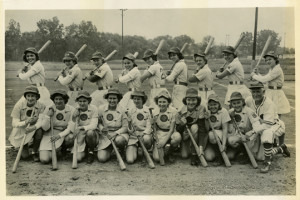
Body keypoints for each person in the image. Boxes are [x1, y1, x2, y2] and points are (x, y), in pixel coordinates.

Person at [245, 81, 290, 173]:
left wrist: (253, 132)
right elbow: (240, 107)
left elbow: (267, 125)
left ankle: (267, 163)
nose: (255, 94)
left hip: (275, 126)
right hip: (260, 128)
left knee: (267, 133)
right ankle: (281, 148)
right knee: (259, 157)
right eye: (253, 92)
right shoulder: (249, 100)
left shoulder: (269, 104)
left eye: (258, 91)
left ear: (263, 92)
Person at [251, 51, 290, 146]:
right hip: (270, 92)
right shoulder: (272, 69)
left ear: (275, 60)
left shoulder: (277, 69)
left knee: (276, 120)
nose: (268, 61)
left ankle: (281, 143)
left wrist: (254, 75)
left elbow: (265, 79)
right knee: (268, 117)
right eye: (266, 60)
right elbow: (265, 79)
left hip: (277, 94)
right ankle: (272, 140)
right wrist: (258, 74)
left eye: (270, 59)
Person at [9, 85, 45, 161]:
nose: (30, 98)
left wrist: (33, 127)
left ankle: (34, 152)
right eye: (28, 96)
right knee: (25, 156)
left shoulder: (41, 106)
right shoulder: (19, 105)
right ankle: (24, 145)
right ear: (25, 96)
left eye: (33, 96)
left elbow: (41, 121)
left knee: (40, 131)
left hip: (34, 128)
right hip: (22, 130)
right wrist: (25, 122)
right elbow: (14, 123)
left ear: (37, 97)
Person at [226, 92, 264, 165]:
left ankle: (249, 152)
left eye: (238, 102)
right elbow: (230, 130)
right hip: (240, 136)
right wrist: (230, 118)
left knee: (258, 158)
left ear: (242, 102)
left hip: (252, 136)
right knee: (231, 141)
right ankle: (242, 151)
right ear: (231, 104)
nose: (236, 105)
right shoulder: (230, 112)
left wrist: (247, 136)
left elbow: (257, 127)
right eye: (234, 103)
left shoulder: (249, 111)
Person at [38, 90, 75, 164]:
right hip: (50, 133)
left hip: (64, 133)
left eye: (60, 99)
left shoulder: (71, 109)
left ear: (65, 100)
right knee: (44, 160)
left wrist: (59, 136)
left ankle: (63, 148)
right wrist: (48, 116)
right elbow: (45, 128)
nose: (58, 101)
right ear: (53, 100)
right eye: (56, 99)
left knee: (71, 138)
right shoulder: (48, 108)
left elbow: (71, 128)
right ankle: (56, 151)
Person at [175, 88, 207, 166]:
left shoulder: (201, 108)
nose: (191, 102)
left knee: (194, 127)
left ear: (197, 100)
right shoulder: (181, 110)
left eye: (193, 100)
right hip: (186, 135)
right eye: (189, 100)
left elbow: (202, 128)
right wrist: (182, 125)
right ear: (185, 100)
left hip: (197, 134)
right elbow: (178, 130)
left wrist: (200, 146)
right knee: (184, 156)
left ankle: (194, 154)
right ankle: (184, 148)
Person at [97, 88, 129, 163]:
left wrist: (115, 133)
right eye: (110, 98)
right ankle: (110, 148)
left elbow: (125, 127)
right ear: (107, 99)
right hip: (106, 136)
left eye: (114, 98)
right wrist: (102, 128)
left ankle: (121, 150)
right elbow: (98, 122)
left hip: (119, 134)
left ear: (118, 99)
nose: (112, 101)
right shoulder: (101, 108)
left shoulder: (123, 110)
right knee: (102, 159)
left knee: (119, 140)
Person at [152, 90, 181, 163]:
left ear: (168, 102)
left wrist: (164, 142)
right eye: (160, 102)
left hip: (170, 133)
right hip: (160, 133)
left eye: (164, 102)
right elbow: (154, 128)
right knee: (157, 158)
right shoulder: (154, 112)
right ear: (157, 102)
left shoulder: (173, 111)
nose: (161, 104)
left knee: (177, 137)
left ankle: (171, 151)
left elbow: (171, 130)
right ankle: (164, 150)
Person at [70, 91, 99, 163]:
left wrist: (81, 127)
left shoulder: (94, 108)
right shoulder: (75, 110)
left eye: (84, 101)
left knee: (90, 133)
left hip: (91, 133)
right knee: (78, 159)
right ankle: (84, 150)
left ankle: (91, 152)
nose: (82, 103)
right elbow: (71, 124)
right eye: (80, 101)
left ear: (88, 101)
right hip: (80, 135)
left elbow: (94, 125)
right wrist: (74, 117)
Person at [126, 91, 153, 164]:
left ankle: (145, 153)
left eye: (138, 99)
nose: (136, 101)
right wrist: (129, 123)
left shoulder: (148, 110)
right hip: (134, 136)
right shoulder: (130, 111)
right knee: (130, 160)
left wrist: (143, 134)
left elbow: (149, 127)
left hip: (144, 135)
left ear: (143, 100)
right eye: (134, 99)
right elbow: (130, 130)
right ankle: (136, 149)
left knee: (147, 139)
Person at [204, 94, 231, 166]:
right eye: (211, 105)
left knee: (212, 134)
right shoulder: (206, 112)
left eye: (215, 104)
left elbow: (225, 129)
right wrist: (207, 119)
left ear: (219, 104)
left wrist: (224, 144)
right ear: (208, 105)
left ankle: (220, 157)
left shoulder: (224, 111)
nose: (213, 107)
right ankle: (217, 153)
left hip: (221, 135)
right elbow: (206, 129)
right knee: (209, 157)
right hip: (210, 138)